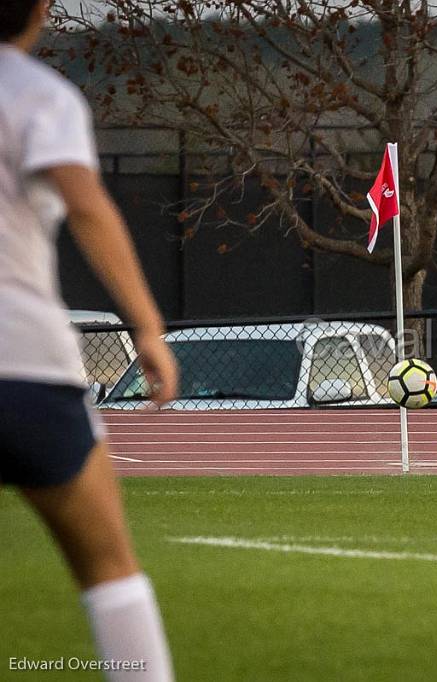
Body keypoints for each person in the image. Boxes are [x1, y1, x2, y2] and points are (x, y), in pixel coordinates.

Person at [1, 2, 178, 680]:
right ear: (41, 10)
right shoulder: (40, 96)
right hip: (24, 366)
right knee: (109, 568)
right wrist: (148, 329)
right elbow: (85, 204)